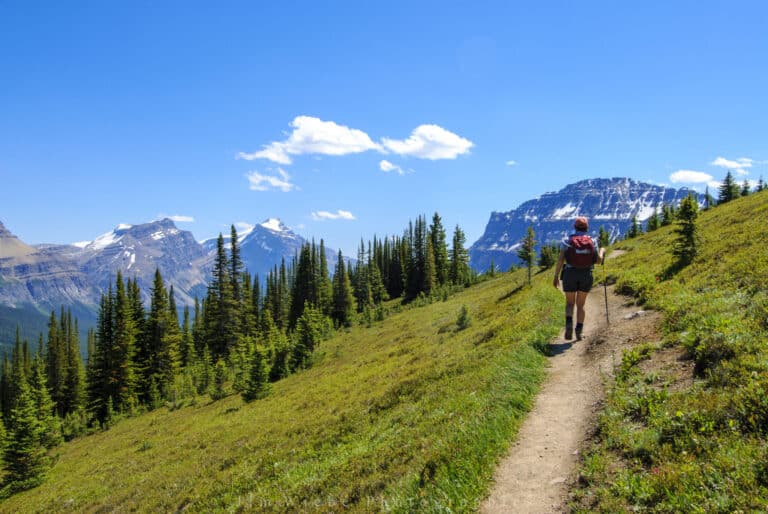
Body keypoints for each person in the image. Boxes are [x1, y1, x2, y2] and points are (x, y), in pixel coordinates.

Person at [552, 216, 606, 340]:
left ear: (575, 227)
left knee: (569, 303)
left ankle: (569, 324)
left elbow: (560, 260)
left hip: (570, 273)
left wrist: (556, 276)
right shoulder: (592, 240)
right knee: (581, 305)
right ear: (587, 227)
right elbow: (598, 261)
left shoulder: (567, 240)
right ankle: (579, 332)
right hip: (586, 274)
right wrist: (602, 251)